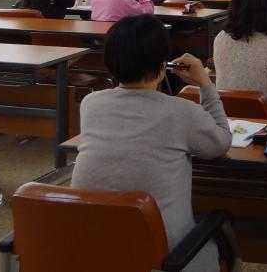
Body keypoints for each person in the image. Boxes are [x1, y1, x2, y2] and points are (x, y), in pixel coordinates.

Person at [71, 15, 231, 272]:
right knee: (223, 235)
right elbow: (220, 142)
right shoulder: (181, 112)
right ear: (162, 65)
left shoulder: (91, 104)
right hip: (165, 256)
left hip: (95, 248)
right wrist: (205, 83)